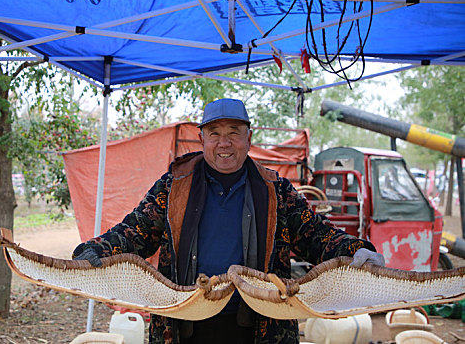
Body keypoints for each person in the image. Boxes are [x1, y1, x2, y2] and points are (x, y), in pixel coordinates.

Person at [73, 98, 385, 344]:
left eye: (234, 133)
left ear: (249, 137)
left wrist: (357, 249)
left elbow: (315, 234)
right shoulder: (174, 184)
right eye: (215, 134)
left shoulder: (274, 189)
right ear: (202, 138)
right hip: (186, 324)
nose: (225, 143)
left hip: (259, 326)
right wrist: (97, 250)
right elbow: (137, 230)